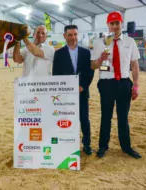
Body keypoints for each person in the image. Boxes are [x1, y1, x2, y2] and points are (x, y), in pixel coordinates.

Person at [91, 12, 142, 159]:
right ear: (108, 25)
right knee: (105, 116)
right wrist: (101, 58)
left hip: (124, 83)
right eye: (111, 23)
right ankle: (103, 146)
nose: (114, 26)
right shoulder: (100, 43)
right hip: (106, 83)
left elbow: (134, 64)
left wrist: (136, 85)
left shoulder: (129, 42)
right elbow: (93, 65)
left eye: (117, 23)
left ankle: (126, 147)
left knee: (123, 117)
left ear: (121, 24)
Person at [52, 25, 95, 155]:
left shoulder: (86, 52)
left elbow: (90, 72)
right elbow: (56, 74)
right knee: (66, 119)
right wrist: (65, 89)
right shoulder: (58, 54)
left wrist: (83, 86)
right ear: (65, 36)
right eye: (70, 35)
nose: (73, 37)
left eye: (75, 34)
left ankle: (86, 144)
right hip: (65, 95)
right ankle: (67, 143)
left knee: (84, 119)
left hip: (82, 92)